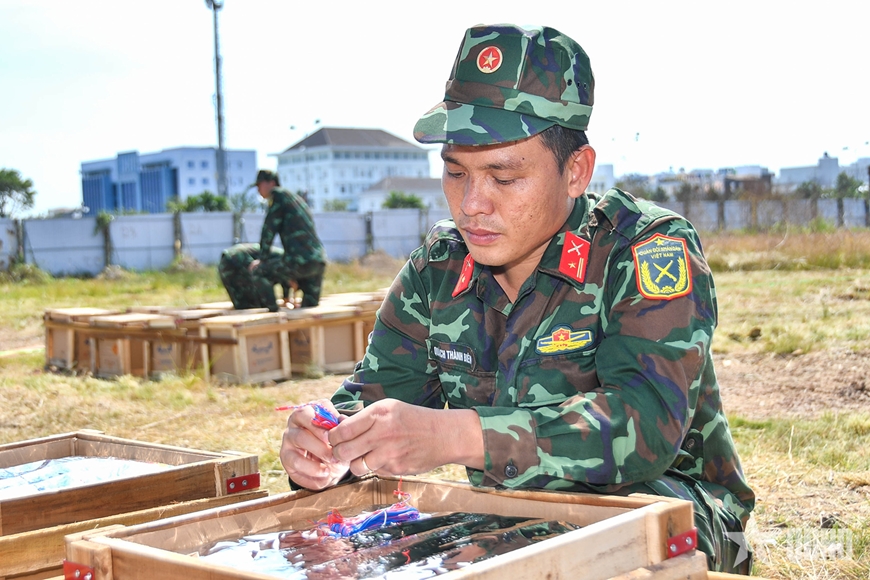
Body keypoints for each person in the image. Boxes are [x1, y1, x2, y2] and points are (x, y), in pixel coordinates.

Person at [279, 24, 753, 573]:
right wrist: (322, 448)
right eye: (455, 172)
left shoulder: (643, 250)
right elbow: (372, 402)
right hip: (507, 518)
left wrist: (460, 435)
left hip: (669, 509)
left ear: (576, 171)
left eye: (503, 177)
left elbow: (644, 426)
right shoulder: (439, 268)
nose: (471, 204)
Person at [219, 169, 326, 310]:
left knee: (259, 271)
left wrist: (262, 259)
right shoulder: (296, 199)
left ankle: (275, 314)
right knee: (309, 308)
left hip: (298, 260)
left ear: (271, 183)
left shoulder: (278, 196)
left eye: (260, 185)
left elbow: (268, 229)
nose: (258, 190)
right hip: (318, 261)